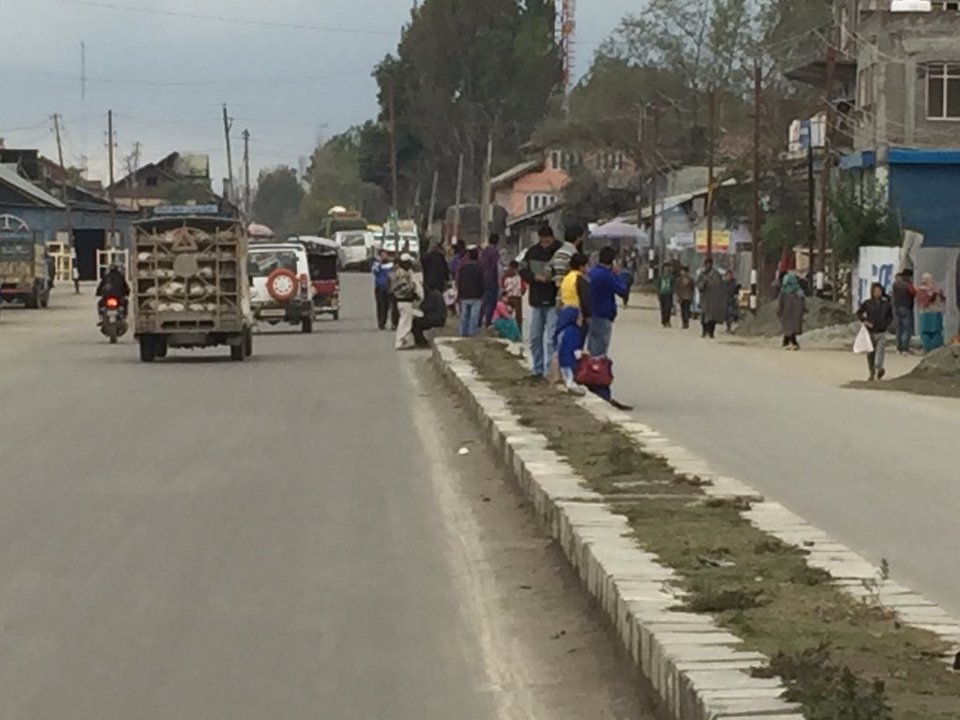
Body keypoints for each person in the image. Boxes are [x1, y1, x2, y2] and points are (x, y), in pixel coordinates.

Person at [519, 225, 563, 378]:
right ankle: (537, 369)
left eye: (548, 242)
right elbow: (522, 269)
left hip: (553, 299)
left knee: (551, 338)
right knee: (535, 337)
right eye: (542, 242)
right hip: (536, 298)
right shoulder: (532, 252)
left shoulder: (560, 251)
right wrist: (533, 277)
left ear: (553, 238)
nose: (545, 245)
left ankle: (549, 370)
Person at [554, 254, 592, 394]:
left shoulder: (566, 279)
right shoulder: (581, 279)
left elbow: (559, 299)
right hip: (577, 314)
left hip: (565, 312)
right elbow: (586, 300)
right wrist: (587, 316)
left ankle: (565, 376)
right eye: (586, 266)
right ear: (582, 266)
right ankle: (573, 377)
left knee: (564, 343)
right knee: (576, 345)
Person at [587, 246, 628, 356]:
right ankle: (597, 371)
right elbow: (622, 290)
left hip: (589, 313)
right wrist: (618, 274)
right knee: (600, 348)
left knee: (592, 345)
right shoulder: (607, 276)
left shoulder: (590, 273)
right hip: (603, 314)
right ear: (612, 261)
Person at [857, 282, 894, 381]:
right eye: (875, 291)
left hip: (881, 332)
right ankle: (871, 372)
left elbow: (890, 316)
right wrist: (864, 321)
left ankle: (879, 368)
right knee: (870, 354)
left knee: (880, 353)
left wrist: (886, 324)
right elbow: (859, 313)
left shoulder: (886, 305)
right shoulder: (868, 303)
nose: (877, 293)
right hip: (870, 332)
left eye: (879, 291)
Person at [391, 253, 422, 350]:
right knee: (405, 322)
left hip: (403, 300)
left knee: (405, 321)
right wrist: (413, 288)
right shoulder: (402, 273)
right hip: (404, 300)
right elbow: (403, 287)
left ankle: (403, 341)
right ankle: (400, 341)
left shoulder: (400, 272)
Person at [456, 246, 485, 337]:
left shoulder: (463, 268)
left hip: (464, 295)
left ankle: (462, 333)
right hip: (476, 296)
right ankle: (471, 334)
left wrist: (459, 295)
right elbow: (482, 283)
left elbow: (459, 282)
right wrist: (482, 294)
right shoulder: (479, 269)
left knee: (463, 316)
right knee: (474, 317)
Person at [916, 272, 947, 353]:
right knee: (926, 333)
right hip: (925, 314)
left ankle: (936, 350)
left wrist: (939, 294)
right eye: (927, 279)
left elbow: (943, 299)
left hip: (936, 313)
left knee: (937, 332)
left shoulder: (936, 290)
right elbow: (924, 301)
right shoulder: (921, 290)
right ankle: (927, 349)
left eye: (930, 279)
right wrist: (933, 294)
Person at [696, 257, 726, 339]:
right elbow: (698, 284)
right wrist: (703, 285)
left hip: (714, 299)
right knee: (704, 317)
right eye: (706, 264)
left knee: (712, 318)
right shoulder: (702, 275)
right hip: (705, 299)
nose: (707, 266)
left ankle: (711, 332)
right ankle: (704, 331)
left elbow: (720, 286)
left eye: (709, 264)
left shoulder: (717, 275)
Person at [777, 272, 806, 350]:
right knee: (790, 329)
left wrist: (780, 310)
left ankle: (788, 343)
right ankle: (791, 343)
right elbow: (803, 303)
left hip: (790, 314)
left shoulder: (786, 291)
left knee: (790, 329)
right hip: (790, 314)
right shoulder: (798, 292)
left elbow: (781, 303)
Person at [479, 234, 501, 327]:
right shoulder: (495, 252)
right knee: (492, 301)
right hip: (491, 279)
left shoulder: (484, 251)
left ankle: (479, 320)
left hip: (483, 278)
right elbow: (495, 268)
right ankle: (488, 321)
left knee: (483, 300)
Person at [892, 269, 916, 354]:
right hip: (906, 307)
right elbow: (913, 293)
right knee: (907, 328)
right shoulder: (908, 285)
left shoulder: (895, 284)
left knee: (899, 328)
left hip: (896, 307)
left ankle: (898, 348)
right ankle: (905, 348)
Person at [371, 250, 395, 330]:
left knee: (388, 306)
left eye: (385, 255)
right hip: (379, 287)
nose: (384, 256)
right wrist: (379, 263)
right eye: (382, 255)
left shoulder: (391, 265)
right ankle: (381, 323)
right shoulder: (376, 264)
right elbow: (374, 271)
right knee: (381, 306)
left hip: (389, 288)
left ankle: (391, 322)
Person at [501, 260, 525, 334]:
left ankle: (506, 331)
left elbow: (502, 285)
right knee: (518, 317)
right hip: (517, 297)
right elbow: (523, 287)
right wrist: (521, 292)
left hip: (508, 297)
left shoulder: (505, 275)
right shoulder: (520, 276)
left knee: (506, 315)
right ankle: (518, 332)